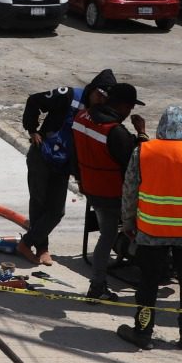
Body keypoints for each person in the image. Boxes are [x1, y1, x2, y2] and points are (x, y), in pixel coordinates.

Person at [117, 105, 182, 352]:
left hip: (151, 232)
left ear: (161, 125)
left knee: (148, 283)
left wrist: (129, 223)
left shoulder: (142, 152)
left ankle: (142, 333)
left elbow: (130, 192)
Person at [18, 69, 117, 265]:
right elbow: (35, 100)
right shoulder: (69, 95)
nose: (100, 101)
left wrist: (80, 178)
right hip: (42, 155)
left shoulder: (98, 114)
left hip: (63, 163)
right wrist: (32, 130)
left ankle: (27, 242)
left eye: (105, 99)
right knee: (39, 203)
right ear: (92, 90)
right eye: (99, 95)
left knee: (56, 211)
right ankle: (41, 247)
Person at [72, 82, 148, 300]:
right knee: (110, 235)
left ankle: (99, 283)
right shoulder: (115, 132)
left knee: (106, 234)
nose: (130, 112)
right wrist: (141, 133)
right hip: (112, 193)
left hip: (91, 188)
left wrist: (79, 178)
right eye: (130, 107)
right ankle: (99, 284)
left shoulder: (82, 117)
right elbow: (138, 161)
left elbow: (74, 154)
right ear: (123, 106)